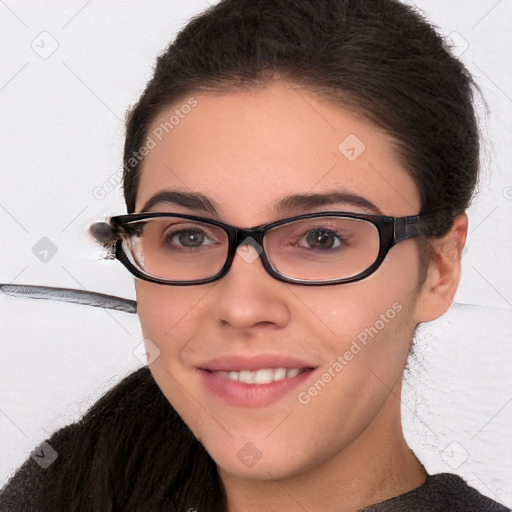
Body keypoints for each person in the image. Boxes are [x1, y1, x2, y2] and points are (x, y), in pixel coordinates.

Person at [0, 0, 508, 510]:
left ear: (439, 270)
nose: (241, 307)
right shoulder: (62, 489)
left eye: (321, 239)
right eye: (189, 237)